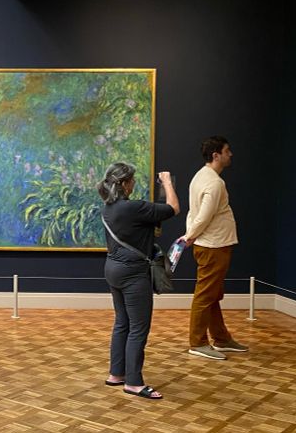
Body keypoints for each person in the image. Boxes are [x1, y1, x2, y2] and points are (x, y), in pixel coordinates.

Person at [99, 163, 179, 400]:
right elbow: (174, 207)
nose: (134, 183)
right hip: (133, 273)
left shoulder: (109, 208)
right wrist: (167, 182)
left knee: (122, 322)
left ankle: (116, 374)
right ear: (124, 184)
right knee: (138, 327)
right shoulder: (133, 208)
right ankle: (133, 382)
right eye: (131, 180)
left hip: (112, 268)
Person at [183, 136, 248, 360]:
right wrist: (189, 236)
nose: (231, 154)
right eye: (227, 151)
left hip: (211, 244)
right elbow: (203, 216)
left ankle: (221, 338)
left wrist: (191, 235)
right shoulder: (214, 182)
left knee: (212, 294)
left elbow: (194, 214)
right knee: (205, 294)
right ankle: (198, 342)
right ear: (216, 155)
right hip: (213, 246)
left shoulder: (200, 176)